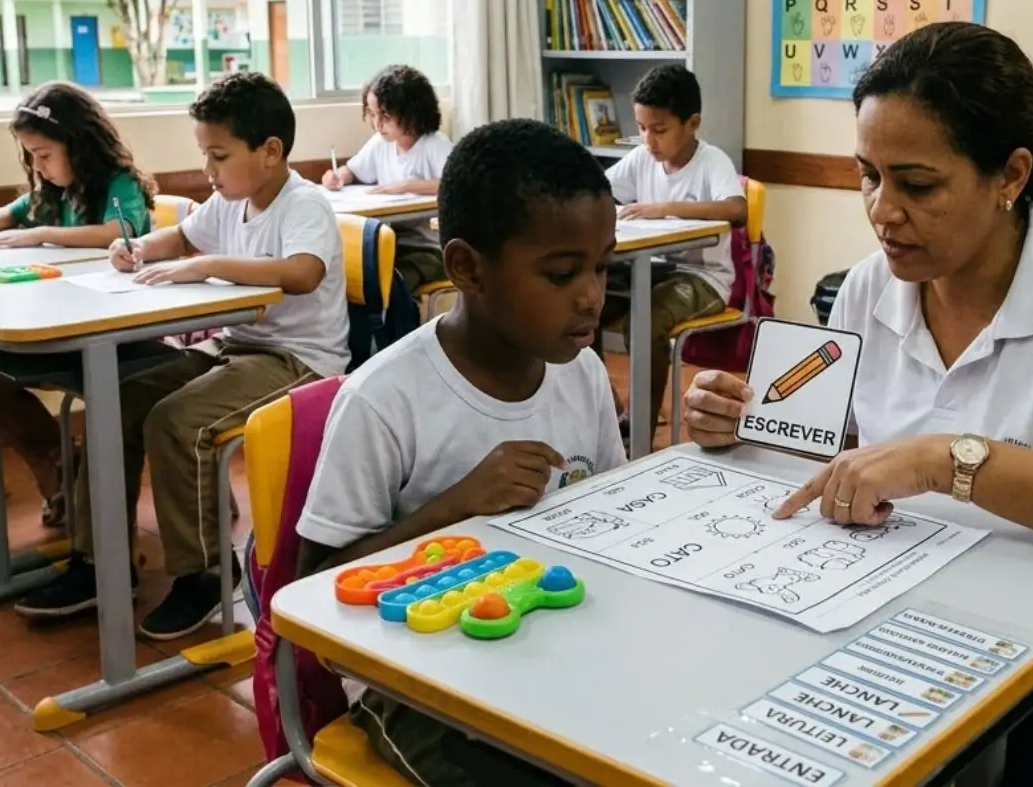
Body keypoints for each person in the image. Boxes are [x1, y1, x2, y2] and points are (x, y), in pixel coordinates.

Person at [683, 22, 1033, 787]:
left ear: (1010, 175)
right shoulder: (868, 288)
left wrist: (953, 460)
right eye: (866, 176)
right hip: (913, 636)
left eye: (917, 184)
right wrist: (741, 423)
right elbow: (827, 451)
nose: (881, 211)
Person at [297, 118, 625, 786]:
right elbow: (315, 595)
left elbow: (617, 513)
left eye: (602, 266)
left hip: (550, 645)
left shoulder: (582, 372)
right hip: (418, 688)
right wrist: (453, 509)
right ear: (467, 267)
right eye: (562, 273)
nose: (592, 295)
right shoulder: (384, 401)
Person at [15, 72, 350, 640]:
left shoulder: (304, 204)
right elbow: (180, 238)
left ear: (270, 152)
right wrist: (137, 247)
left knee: (176, 421)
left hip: (298, 362)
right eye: (204, 155)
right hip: (235, 349)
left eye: (218, 155)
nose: (208, 170)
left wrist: (207, 265)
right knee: (116, 402)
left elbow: (301, 272)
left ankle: (205, 573)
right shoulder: (228, 202)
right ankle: (101, 564)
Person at [0, 82, 155, 529]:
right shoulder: (52, 188)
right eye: (31, 156)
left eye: (44, 154)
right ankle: (57, 463)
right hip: (58, 325)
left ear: (78, 144)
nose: (38, 165)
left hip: (114, 331)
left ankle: (64, 480)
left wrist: (41, 234)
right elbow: (12, 212)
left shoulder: (119, 183)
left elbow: (119, 229)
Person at [597, 64, 746, 442]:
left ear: (692, 123)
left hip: (704, 278)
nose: (648, 140)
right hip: (653, 267)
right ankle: (605, 409)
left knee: (645, 320)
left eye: (659, 130)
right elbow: (599, 187)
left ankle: (639, 431)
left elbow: (736, 209)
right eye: (642, 128)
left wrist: (666, 207)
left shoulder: (712, 161)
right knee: (586, 299)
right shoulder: (643, 158)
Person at [320, 64, 453, 291]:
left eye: (386, 115)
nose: (377, 123)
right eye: (372, 114)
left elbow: (455, 184)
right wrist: (337, 176)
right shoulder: (380, 144)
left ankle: (397, 324)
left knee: (390, 284)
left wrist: (407, 187)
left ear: (412, 113)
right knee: (350, 276)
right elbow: (353, 170)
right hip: (390, 244)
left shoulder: (434, 144)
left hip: (429, 248)